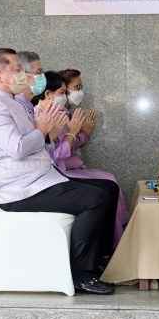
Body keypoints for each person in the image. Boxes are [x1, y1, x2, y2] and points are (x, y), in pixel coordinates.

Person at [0, 48, 115, 295]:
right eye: (17, 70)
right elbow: (17, 148)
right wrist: (41, 131)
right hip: (19, 190)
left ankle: (90, 263)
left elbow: (35, 140)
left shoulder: (11, 102)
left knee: (102, 190)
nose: (22, 75)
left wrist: (47, 134)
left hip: (38, 179)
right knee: (95, 199)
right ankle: (80, 273)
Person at [33, 71, 129, 248]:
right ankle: (106, 246)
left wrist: (81, 133)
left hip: (68, 167)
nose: (75, 93)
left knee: (109, 185)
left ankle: (111, 243)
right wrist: (74, 132)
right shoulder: (40, 116)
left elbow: (67, 146)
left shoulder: (59, 114)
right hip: (58, 173)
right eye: (63, 92)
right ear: (48, 94)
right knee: (105, 188)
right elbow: (57, 155)